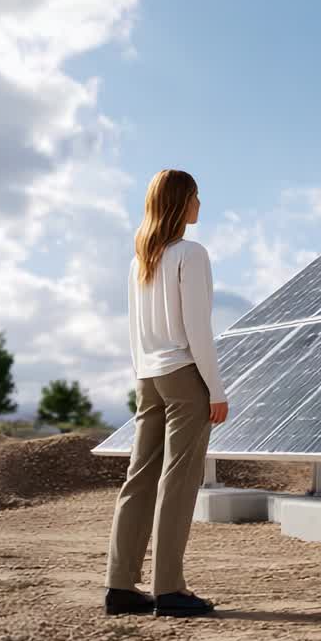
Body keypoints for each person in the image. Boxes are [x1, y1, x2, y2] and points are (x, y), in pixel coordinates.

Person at [104, 169, 229, 617]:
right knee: (179, 481)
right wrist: (215, 388)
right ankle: (170, 589)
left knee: (139, 477)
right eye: (196, 196)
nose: (201, 204)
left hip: (148, 376)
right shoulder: (190, 254)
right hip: (183, 374)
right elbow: (198, 327)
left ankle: (119, 586)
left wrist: (144, 375)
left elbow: (135, 330)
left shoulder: (140, 259)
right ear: (181, 203)